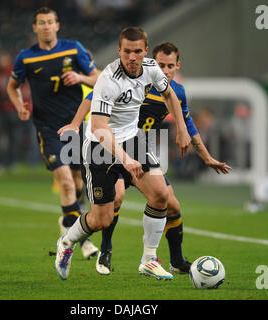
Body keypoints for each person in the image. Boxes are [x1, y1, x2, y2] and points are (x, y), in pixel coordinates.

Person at [59, 42, 231, 276]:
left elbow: (189, 127)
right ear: (152, 61)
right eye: (161, 65)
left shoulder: (175, 91)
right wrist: (75, 124)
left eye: (170, 66)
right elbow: (92, 98)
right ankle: (103, 249)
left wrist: (207, 157)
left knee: (168, 201)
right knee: (112, 204)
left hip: (139, 148)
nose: (165, 70)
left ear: (177, 66)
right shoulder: (132, 79)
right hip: (109, 145)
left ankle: (163, 260)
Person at [54, 27, 192, 281]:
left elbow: (170, 95)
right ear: (119, 51)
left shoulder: (151, 68)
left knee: (161, 195)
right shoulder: (109, 79)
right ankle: (67, 242)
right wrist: (126, 160)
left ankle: (149, 260)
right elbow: (98, 127)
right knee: (101, 219)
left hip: (132, 139)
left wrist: (182, 129)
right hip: (100, 147)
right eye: (127, 51)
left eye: (137, 51)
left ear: (145, 52)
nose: (132, 57)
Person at [6, 7, 100, 259]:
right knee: (66, 183)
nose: (46, 26)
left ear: (57, 25)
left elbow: (99, 79)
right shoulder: (26, 57)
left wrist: (80, 77)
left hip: (74, 126)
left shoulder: (73, 49)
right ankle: (83, 243)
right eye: (41, 23)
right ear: (34, 28)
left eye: (50, 22)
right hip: (47, 129)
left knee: (79, 182)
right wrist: (19, 107)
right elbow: (11, 86)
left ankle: (68, 222)